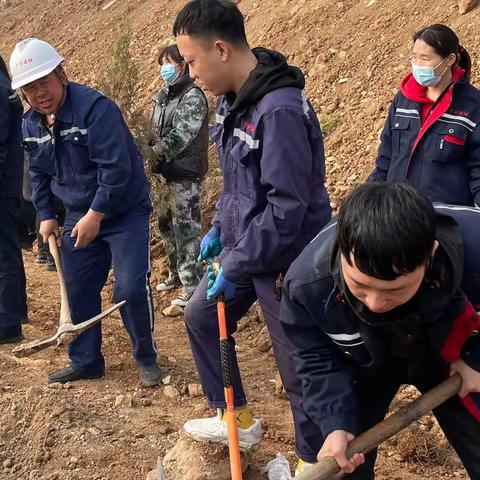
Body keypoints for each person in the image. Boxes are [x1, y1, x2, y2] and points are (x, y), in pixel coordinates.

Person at [173, 0, 332, 464]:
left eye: (191, 60)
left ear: (220, 49)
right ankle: (234, 418)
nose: (189, 72)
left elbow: (286, 210)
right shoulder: (230, 101)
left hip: (290, 259)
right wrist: (221, 228)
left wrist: (235, 260)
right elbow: (239, 184)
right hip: (247, 245)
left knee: (299, 367)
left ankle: (312, 462)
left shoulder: (278, 110)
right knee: (202, 313)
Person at [280, 182, 480, 478]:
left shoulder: (475, 246)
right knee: (346, 460)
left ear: (430, 255)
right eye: (360, 286)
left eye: (394, 290)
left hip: (449, 347)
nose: (374, 303)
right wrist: (334, 421)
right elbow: (316, 357)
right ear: (342, 252)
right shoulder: (308, 286)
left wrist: (475, 358)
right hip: (363, 362)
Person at [11, 38, 161, 386]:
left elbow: (117, 170)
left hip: (123, 211)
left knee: (129, 288)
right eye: (30, 88)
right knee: (77, 286)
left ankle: (146, 356)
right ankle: (86, 360)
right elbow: (39, 173)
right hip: (79, 213)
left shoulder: (96, 109)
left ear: (61, 75)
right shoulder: (31, 124)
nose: (40, 93)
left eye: (44, 82)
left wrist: (96, 215)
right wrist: (46, 213)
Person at [369, 24, 480, 207]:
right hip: (396, 212)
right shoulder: (403, 99)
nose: (417, 65)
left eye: (425, 58)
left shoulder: (473, 106)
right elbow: (386, 155)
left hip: (444, 217)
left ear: (450, 59)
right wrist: (370, 198)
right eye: (414, 57)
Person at [149, 43, 208, 307]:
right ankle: (174, 273)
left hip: (185, 174)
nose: (165, 68)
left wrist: (155, 153)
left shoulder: (192, 96)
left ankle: (191, 284)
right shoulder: (162, 96)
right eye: (162, 63)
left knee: (186, 230)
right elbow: (155, 129)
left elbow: (182, 134)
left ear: (182, 65)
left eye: (170, 62)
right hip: (164, 174)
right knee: (166, 226)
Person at [0, 55, 28, 343]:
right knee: (8, 248)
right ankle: (15, 311)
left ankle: (7, 323)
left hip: (4, 185)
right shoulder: (4, 85)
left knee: (3, 254)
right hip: (9, 184)